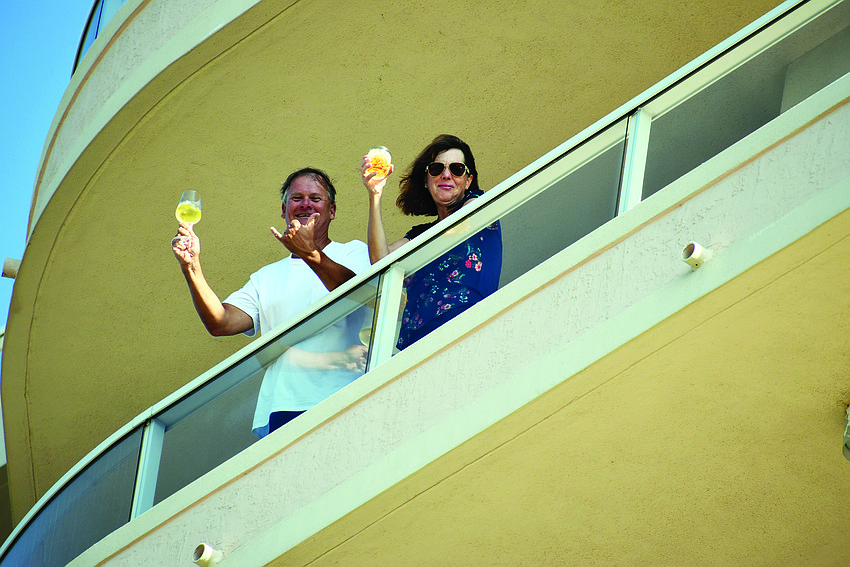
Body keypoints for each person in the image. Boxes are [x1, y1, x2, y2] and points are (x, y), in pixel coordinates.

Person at [172, 167, 372, 438]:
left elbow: (361, 293)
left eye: (316, 198)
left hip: (345, 392)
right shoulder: (265, 277)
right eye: (296, 198)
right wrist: (191, 266)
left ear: (332, 210)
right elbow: (220, 322)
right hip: (283, 405)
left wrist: (310, 254)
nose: (305, 204)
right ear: (284, 209)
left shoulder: (353, 251)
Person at [361, 134, 502, 350]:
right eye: (437, 169)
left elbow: (461, 227)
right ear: (427, 181)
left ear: (468, 181)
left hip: (467, 329)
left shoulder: (479, 202)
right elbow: (380, 260)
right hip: (416, 344)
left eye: (456, 169)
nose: (446, 175)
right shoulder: (420, 234)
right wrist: (375, 194)